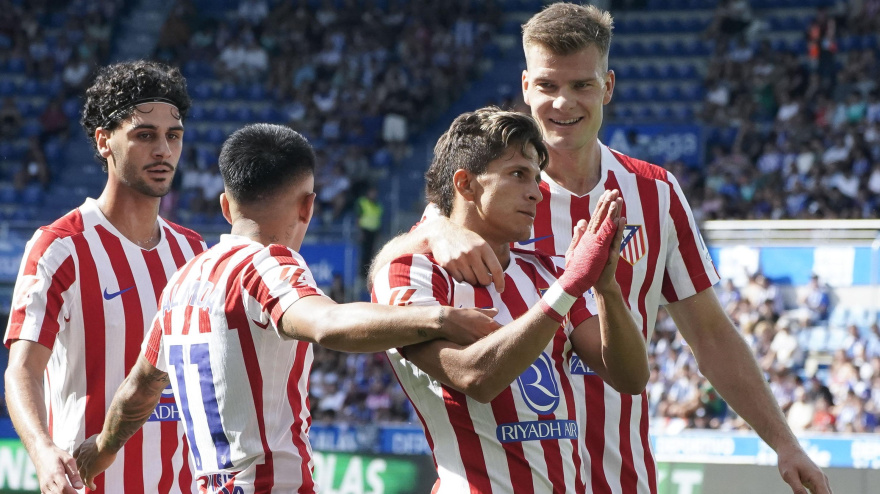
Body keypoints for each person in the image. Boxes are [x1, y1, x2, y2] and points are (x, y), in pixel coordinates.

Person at [369, 3, 831, 493]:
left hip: (624, 477)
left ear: (607, 86)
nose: (562, 103)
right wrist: (437, 228)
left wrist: (784, 442)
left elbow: (711, 334)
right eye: (547, 85)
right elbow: (393, 265)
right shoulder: (492, 198)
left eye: (581, 85)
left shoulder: (655, 194)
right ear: (526, 87)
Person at [72, 123, 500, 493]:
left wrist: (103, 448)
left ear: (226, 206)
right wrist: (439, 316)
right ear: (307, 206)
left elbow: (140, 388)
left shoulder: (182, 281)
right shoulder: (267, 263)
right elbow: (328, 323)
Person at [372, 107, 649, 492]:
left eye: (537, 177)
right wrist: (570, 286)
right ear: (465, 185)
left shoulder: (546, 271)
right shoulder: (412, 272)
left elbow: (631, 377)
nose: (536, 191)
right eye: (518, 174)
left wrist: (605, 288)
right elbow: (475, 377)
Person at [4, 60, 206, 494]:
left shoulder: (195, 253)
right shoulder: (60, 247)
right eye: (144, 135)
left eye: (173, 136)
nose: (163, 151)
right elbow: (21, 370)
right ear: (104, 142)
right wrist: (41, 450)